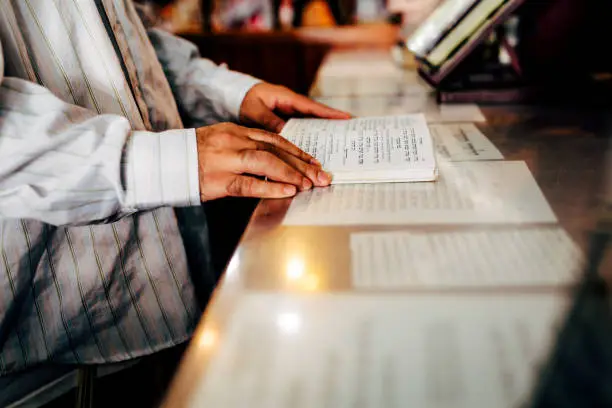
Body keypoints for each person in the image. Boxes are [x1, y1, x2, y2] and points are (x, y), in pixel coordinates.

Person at [0, 0, 349, 381]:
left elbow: (130, 38)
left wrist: (227, 91)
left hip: (159, 296)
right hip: (43, 348)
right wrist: (168, 162)